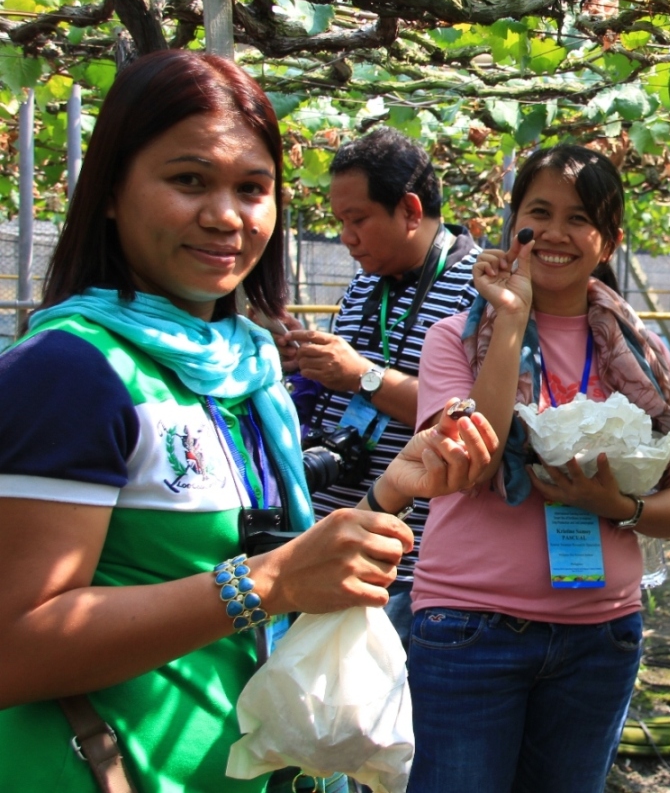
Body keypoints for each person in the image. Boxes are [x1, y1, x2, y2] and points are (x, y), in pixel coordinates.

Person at [0, 50, 499, 793]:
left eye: (253, 188)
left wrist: (387, 494)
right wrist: (266, 583)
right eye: (188, 180)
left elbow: (255, 555)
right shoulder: (74, 371)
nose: (226, 215)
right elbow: (14, 647)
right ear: (109, 191)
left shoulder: (243, 366)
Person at [406, 144, 670, 793]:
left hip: (601, 639)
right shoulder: (454, 337)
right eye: (539, 213)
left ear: (609, 241)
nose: (558, 233)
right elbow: (472, 457)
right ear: (513, 225)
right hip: (469, 629)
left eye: (580, 218)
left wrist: (619, 506)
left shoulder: (644, 356)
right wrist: (510, 318)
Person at [281, 126, 480, 640]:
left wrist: (363, 376)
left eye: (358, 219)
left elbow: (474, 424)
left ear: (411, 210)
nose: (346, 236)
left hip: (409, 561)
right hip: (332, 537)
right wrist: (303, 365)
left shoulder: (479, 288)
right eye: (340, 220)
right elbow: (346, 381)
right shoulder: (366, 281)